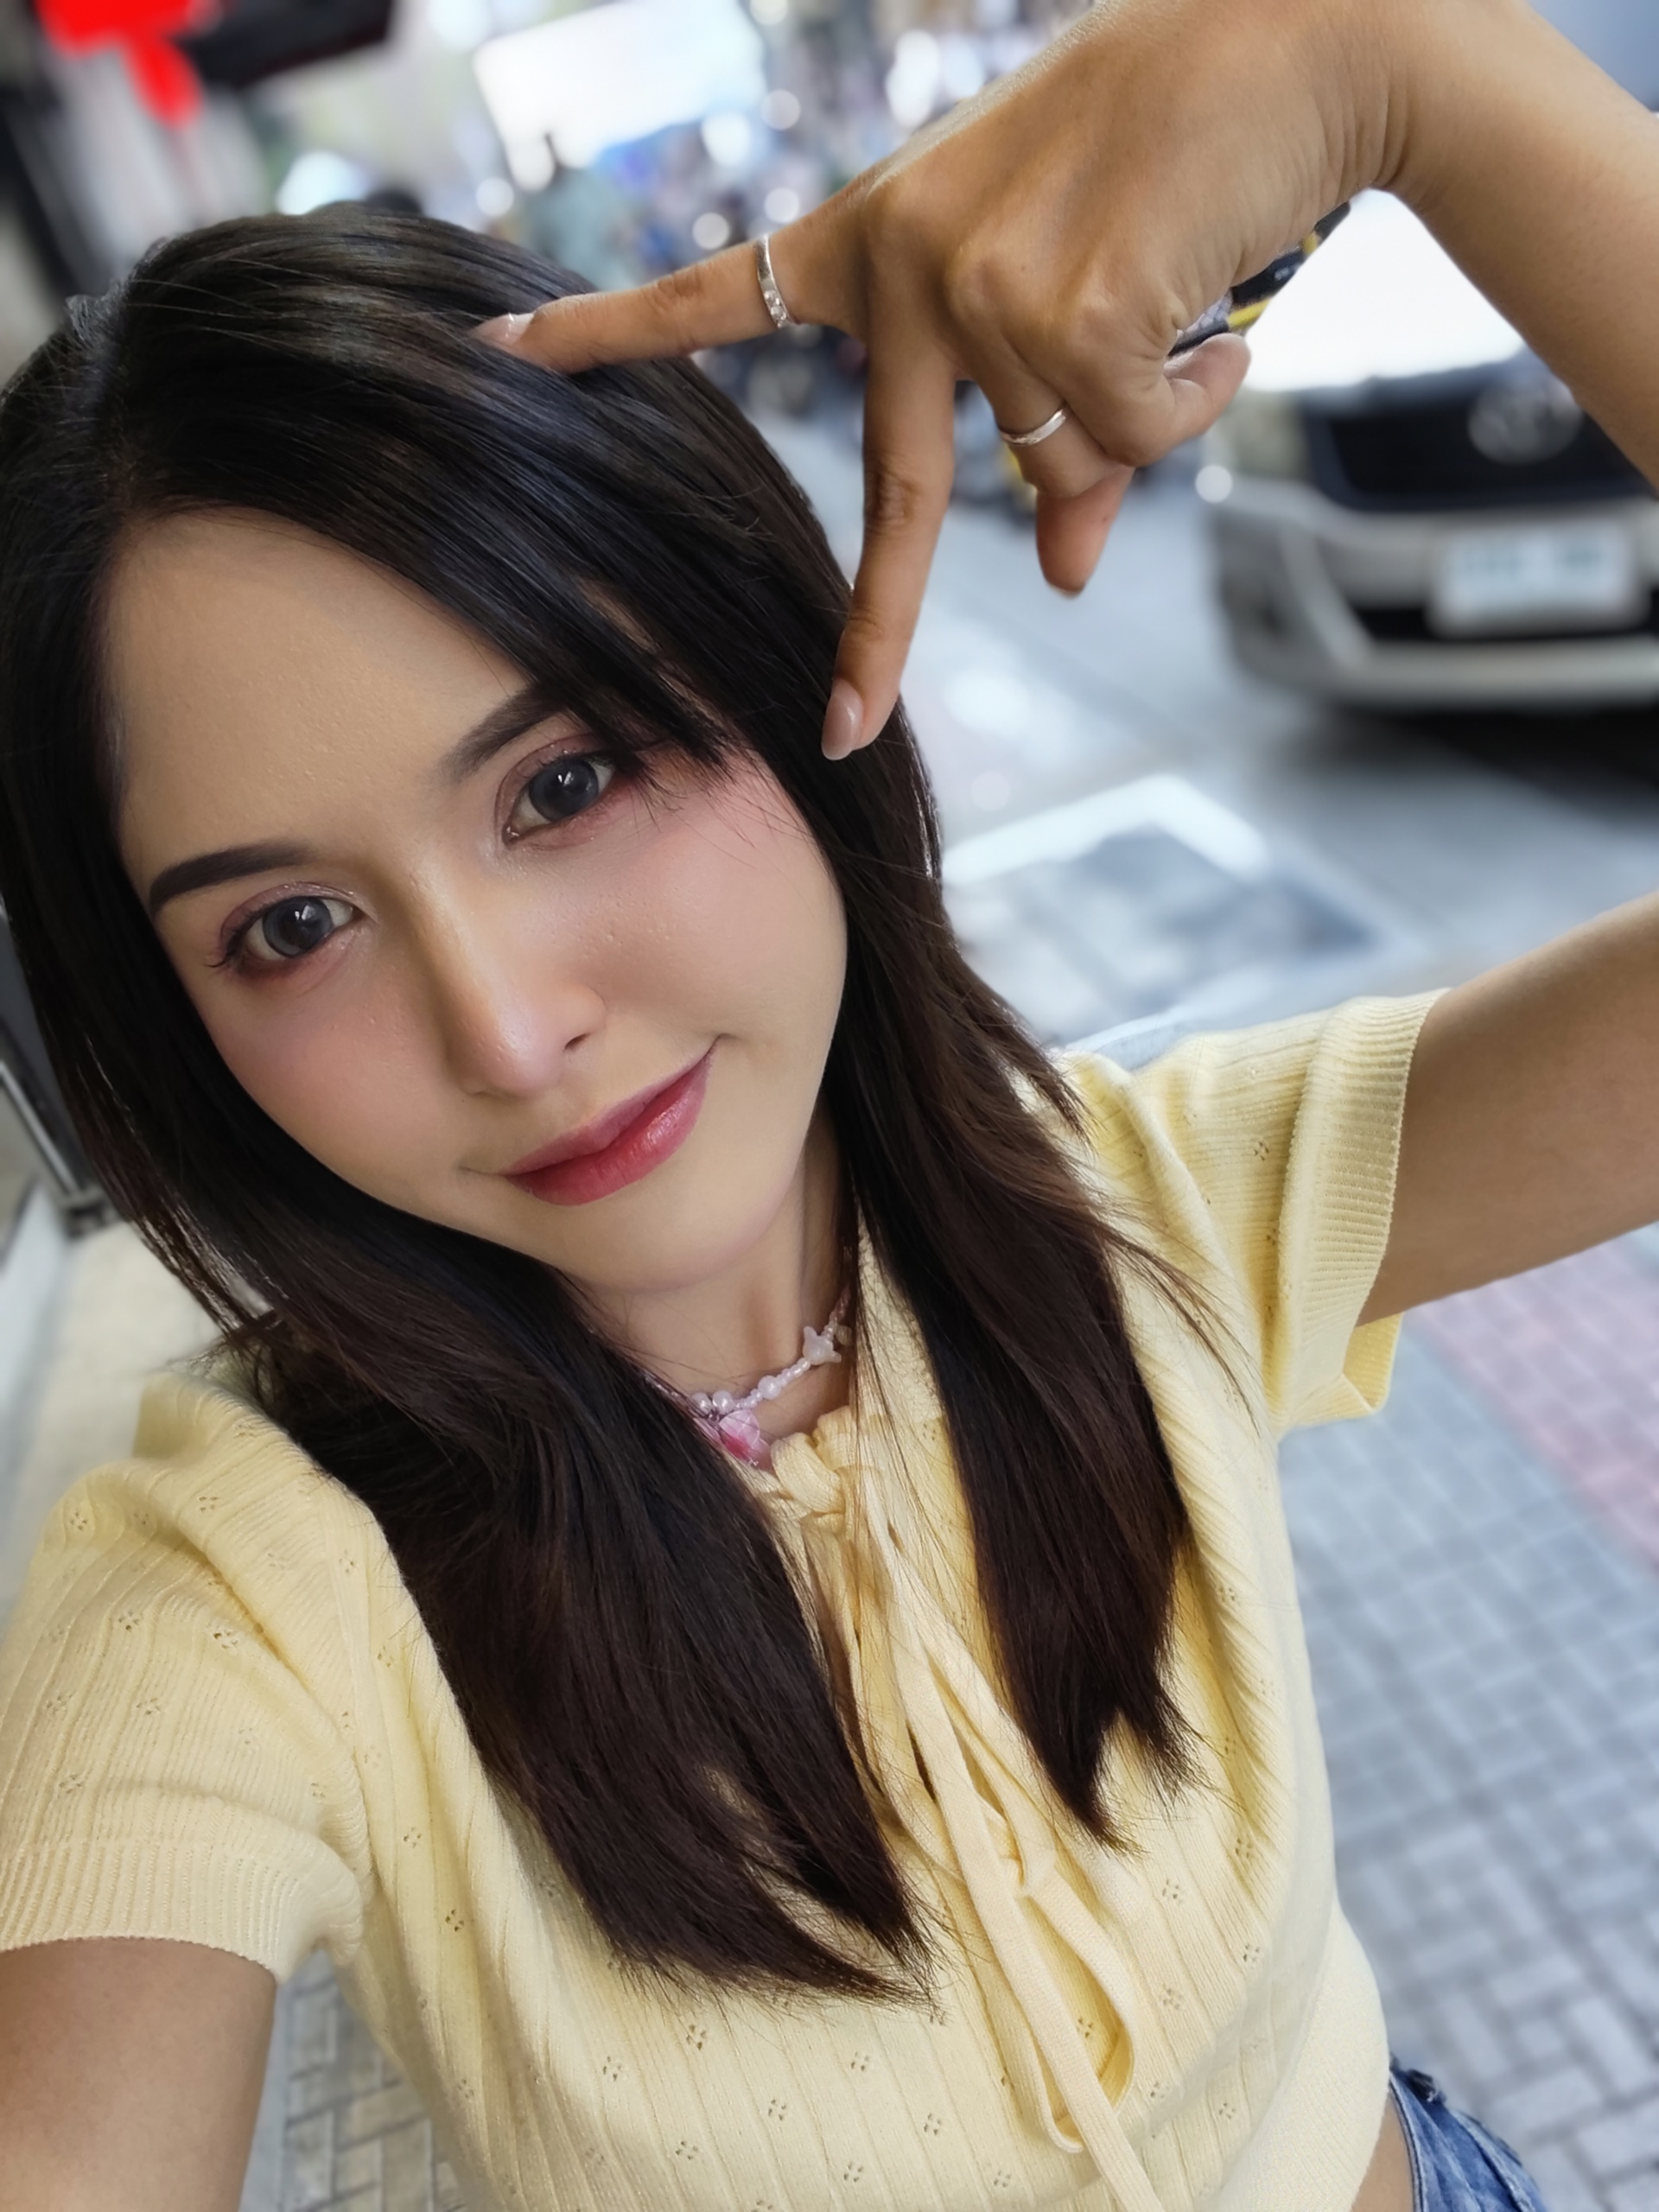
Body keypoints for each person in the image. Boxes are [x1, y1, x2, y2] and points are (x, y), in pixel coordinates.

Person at [0, 1, 1652, 2207]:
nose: (508, 1028)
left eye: (564, 780)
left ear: (781, 679)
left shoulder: (1150, 1204)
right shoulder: (249, 1578)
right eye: (290, 926)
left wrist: (1421, 78)